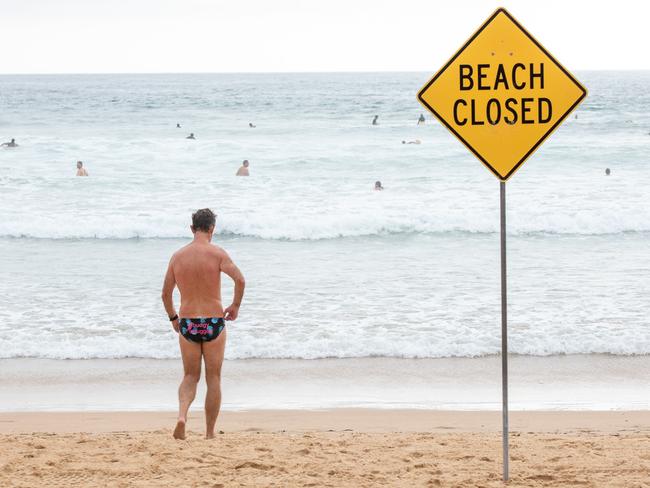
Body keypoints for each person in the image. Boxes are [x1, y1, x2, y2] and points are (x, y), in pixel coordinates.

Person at [162, 208, 245, 440]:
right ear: (212, 229)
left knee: (190, 376)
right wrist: (235, 306)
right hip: (213, 323)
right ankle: (209, 433)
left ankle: (182, 416)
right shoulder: (217, 254)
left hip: (188, 322)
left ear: (192, 228)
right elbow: (240, 279)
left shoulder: (178, 257)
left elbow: (165, 293)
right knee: (213, 378)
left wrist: (173, 318)